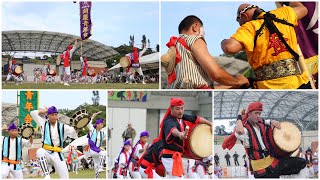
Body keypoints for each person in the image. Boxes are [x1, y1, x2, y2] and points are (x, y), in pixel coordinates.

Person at [221, 2, 310, 89]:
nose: (240, 25)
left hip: (269, 87)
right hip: (297, 84)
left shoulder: (249, 27)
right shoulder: (283, 13)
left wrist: (224, 42)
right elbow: (303, 9)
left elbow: (229, 47)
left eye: (239, 21)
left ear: (244, 16)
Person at [162, 15, 249, 89]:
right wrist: (238, 81)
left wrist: (233, 85)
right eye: (203, 32)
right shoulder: (195, 39)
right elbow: (216, 74)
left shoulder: (173, 48)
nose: (203, 35)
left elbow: (202, 85)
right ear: (195, 27)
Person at [224, 102, 306, 178]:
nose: (258, 115)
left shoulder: (261, 124)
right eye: (256, 113)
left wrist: (272, 121)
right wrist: (239, 116)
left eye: (259, 113)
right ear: (248, 113)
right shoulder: (245, 130)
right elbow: (239, 131)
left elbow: (266, 121)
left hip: (273, 163)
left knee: (301, 162)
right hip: (262, 171)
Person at [159, 98, 212, 178]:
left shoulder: (182, 117)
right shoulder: (169, 120)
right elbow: (173, 130)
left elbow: (196, 118)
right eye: (177, 109)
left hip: (176, 157)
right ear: (171, 109)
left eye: (182, 108)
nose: (180, 111)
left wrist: (210, 124)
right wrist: (180, 134)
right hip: (170, 157)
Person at [30, 106, 78, 178]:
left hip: (58, 154)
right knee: (40, 151)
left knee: (65, 177)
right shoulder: (43, 123)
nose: (54, 117)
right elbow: (32, 113)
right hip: (47, 152)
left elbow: (74, 132)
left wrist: (78, 126)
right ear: (48, 115)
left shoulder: (63, 127)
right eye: (52, 115)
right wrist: (44, 111)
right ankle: (47, 175)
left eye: (55, 114)